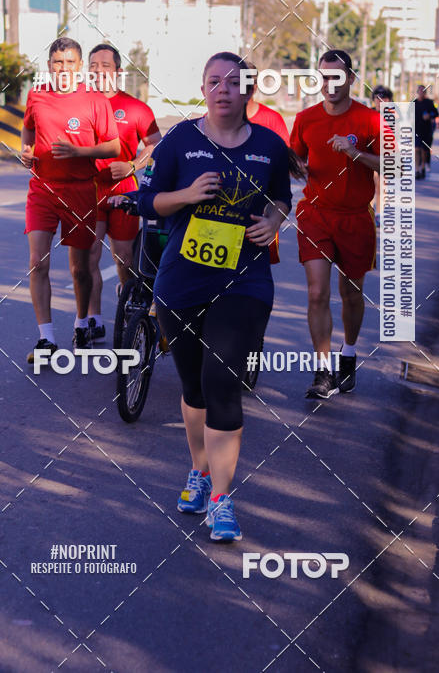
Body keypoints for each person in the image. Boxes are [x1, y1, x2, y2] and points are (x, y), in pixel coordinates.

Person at [137, 51, 302, 542]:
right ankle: (199, 469)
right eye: (214, 81)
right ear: (203, 88)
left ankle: (221, 501)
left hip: (244, 281)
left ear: (249, 91)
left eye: (234, 82)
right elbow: (149, 200)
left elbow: (280, 198)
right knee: (194, 389)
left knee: (222, 381)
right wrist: (187, 195)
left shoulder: (270, 146)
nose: (224, 89)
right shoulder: (180, 141)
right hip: (182, 281)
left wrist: (273, 220)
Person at [290, 49, 382, 400]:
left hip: (356, 217)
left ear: (352, 79)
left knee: (351, 294)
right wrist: (295, 168)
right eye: (324, 77)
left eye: (337, 77)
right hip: (315, 214)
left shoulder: (370, 119)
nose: (329, 84)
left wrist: (354, 153)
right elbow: (295, 158)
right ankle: (323, 371)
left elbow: (394, 166)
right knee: (317, 292)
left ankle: (348, 354)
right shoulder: (306, 118)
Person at [21, 38, 120, 362]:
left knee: (80, 269)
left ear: (79, 66)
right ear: (49, 64)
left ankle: (81, 322)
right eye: (57, 62)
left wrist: (80, 152)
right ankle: (46, 338)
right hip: (43, 189)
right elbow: (28, 132)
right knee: (38, 261)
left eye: (69, 62)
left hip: (80, 190)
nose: (63, 68)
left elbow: (113, 147)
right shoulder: (36, 95)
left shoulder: (94, 100)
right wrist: (26, 152)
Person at [87, 43, 162, 341]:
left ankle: (127, 301)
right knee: (88, 258)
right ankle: (92, 319)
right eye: (93, 65)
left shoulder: (136, 108)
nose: (98, 71)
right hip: (88, 191)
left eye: (105, 65)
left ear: (118, 72)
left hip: (123, 191)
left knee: (125, 259)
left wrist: (133, 166)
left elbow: (156, 143)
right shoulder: (79, 104)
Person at [371, 85, 393, 223]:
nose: (380, 101)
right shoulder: (369, 113)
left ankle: (379, 213)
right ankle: (371, 210)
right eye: (377, 98)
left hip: (387, 154)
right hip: (371, 154)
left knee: (382, 184)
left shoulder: (393, 115)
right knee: (372, 183)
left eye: (383, 98)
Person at [414, 85, 439, 180]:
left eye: (423, 91)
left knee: (424, 150)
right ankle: (417, 170)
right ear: (417, 92)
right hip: (416, 130)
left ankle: (423, 167)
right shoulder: (414, 103)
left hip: (426, 130)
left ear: (425, 93)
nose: (421, 93)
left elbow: (436, 113)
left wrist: (430, 115)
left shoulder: (429, 103)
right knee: (416, 149)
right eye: (419, 91)